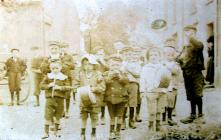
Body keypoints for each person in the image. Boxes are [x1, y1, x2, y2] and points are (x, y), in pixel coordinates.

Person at [177, 25, 205, 124]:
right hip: (186, 73)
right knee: (190, 94)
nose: (187, 34)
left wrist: (190, 38)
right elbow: (178, 58)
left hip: (196, 72)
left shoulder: (198, 44)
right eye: (186, 32)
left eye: (190, 32)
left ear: (194, 33)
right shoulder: (185, 47)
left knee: (198, 94)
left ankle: (201, 115)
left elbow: (198, 47)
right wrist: (180, 61)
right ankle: (192, 115)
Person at [140, 47, 171, 131]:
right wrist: (142, 91)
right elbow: (142, 80)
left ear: (160, 57)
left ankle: (158, 125)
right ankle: (150, 125)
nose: (153, 57)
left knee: (159, 110)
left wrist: (168, 89)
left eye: (156, 55)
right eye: (151, 55)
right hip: (151, 92)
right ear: (148, 57)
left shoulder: (163, 67)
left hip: (161, 92)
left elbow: (167, 78)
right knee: (152, 111)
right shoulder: (145, 68)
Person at [77, 54, 106, 140]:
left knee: (94, 117)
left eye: (90, 64)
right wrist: (79, 89)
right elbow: (75, 85)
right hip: (83, 100)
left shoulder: (98, 74)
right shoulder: (80, 74)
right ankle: (82, 133)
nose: (88, 66)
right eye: (85, 64)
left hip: (95, 100)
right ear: (83, 65)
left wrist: (95, 89)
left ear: (94, 65)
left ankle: (93, 132)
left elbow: (102, 87)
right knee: (83, 117)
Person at [41, 61, 71, 139]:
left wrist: (60, 88)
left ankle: (56, 131)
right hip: (50, 99)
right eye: (53, 68)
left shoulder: (64, 77)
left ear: (60, 68)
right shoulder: (48, 76)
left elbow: (68, 87)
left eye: (57, 68)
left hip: (60, 99)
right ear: (50, 68)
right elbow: (41, 86)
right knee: (48, 115)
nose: (55, 70)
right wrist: (48, 85)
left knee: (58, 115)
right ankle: (46, 132)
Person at [104, 54, 129, 139]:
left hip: (122, 98)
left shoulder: (123, 73)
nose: (115, 67)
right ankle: (111, 132)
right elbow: (105, 83)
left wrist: (120, 77)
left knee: (119, 116)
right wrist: (110, 77)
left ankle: (118, 131)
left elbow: (126, 82)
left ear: (120, 65)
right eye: (112, 65)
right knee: (112, 117)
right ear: (109, 65)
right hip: (110, 98)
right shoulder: (106, 74)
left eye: (117, 65)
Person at [120, 47, 140, 130]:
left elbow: (137, 74)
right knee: (124, 102)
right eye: (126, 54)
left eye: (130, 54)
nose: (128, 56)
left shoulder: (136, 64)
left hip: (133, 84)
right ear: (123, 55)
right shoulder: (121, 64)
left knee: (133, 103)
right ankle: (123, 121)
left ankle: (131, 121)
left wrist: (128, 69)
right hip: (124, 84)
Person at [162, 39, 180, 126]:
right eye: (167, 55)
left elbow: (175, 72)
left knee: (170, 102)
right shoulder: (162, 63)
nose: (169, 57)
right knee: (163, 102)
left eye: (171, 55)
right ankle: (163, 118)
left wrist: (167, 67)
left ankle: (169, 117)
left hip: (172, 86)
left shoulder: (175, 64)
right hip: (164, 86)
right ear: (164, 55)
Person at [93, 46, 109, 125]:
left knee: (103, 101)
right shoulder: (93, 63)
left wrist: (102, 62)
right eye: (98, 54)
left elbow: (109, 69)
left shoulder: (105, 62)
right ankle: (96, 117)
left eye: (102, 54)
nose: (100, 56)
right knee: (95, 100)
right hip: (95, 82)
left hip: (104, 83)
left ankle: (102, 116)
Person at [60, 42, 75, 118]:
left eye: (65, 47)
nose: (63, 49)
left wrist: (66, 63)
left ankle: (67, 110)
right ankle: (62, 110)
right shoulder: (57, 56)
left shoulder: (69, 56)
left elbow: (73, 66)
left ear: (67, 48)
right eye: (62, 47)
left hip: (67, 77)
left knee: (68, 95)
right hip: (59, 77)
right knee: (60, 94)